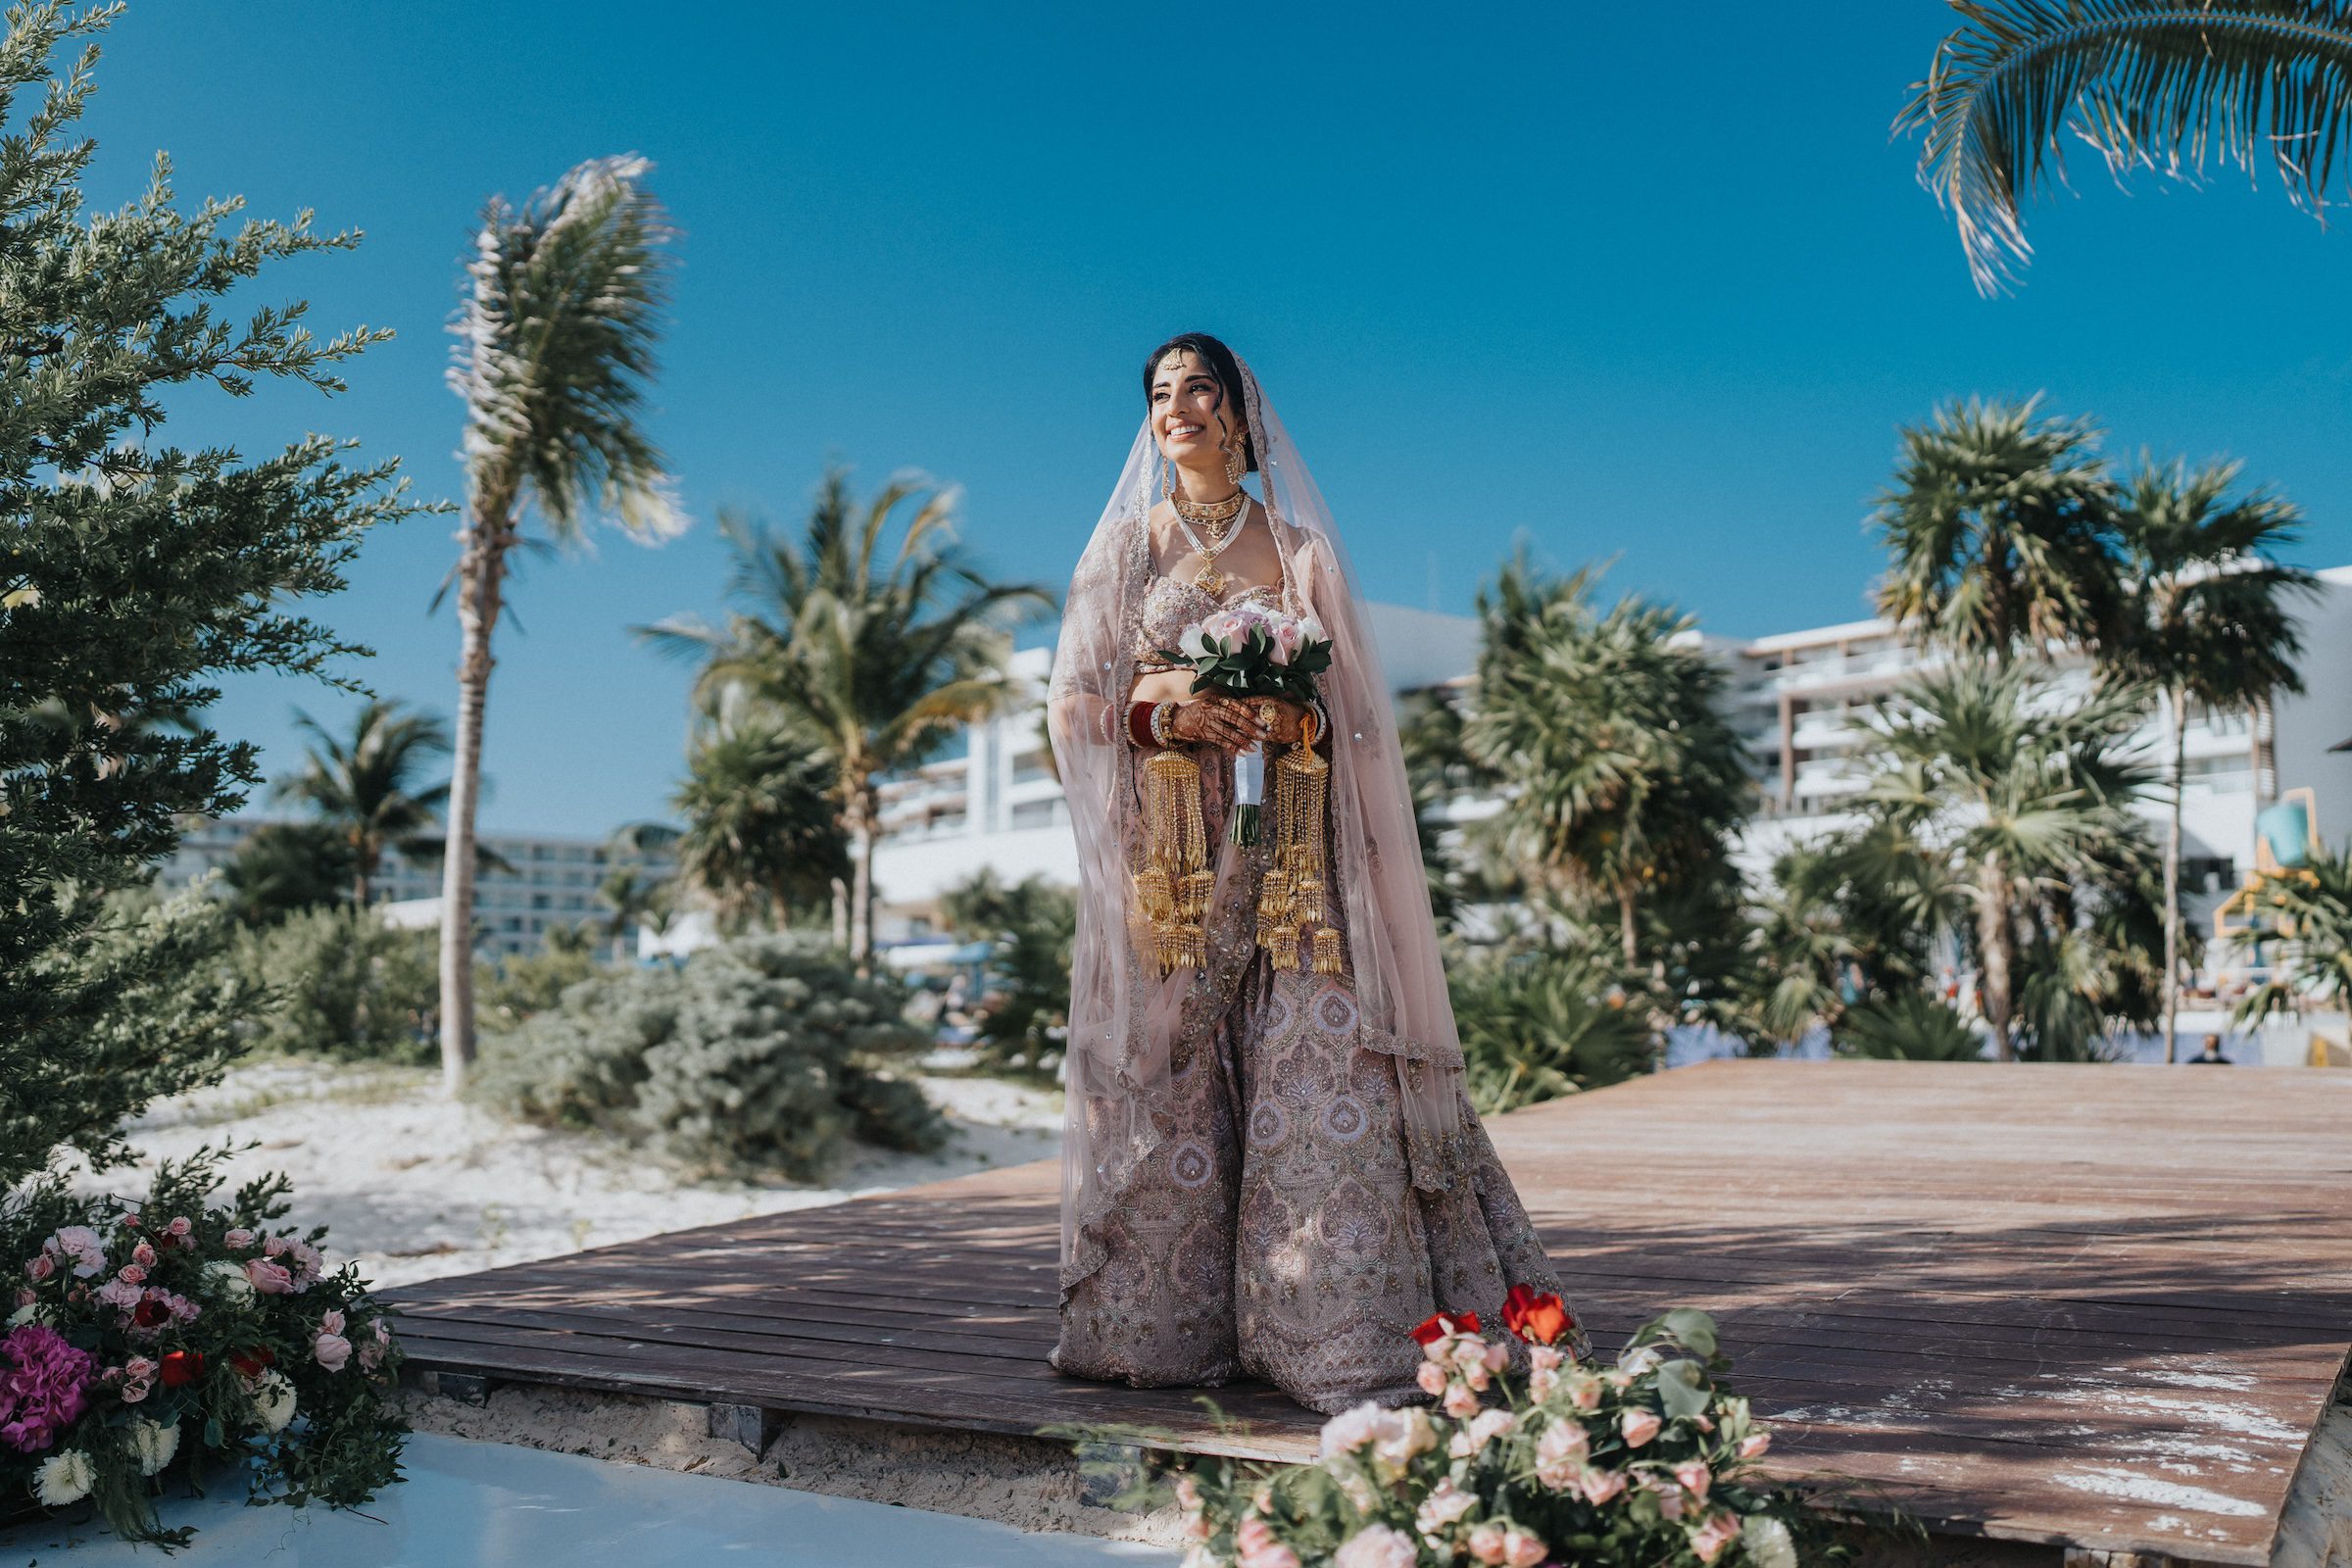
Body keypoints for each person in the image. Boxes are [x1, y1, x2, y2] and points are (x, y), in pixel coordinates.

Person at [1043, 333, 1588, 1415]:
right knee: (1177, 1077)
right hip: (1177, 861)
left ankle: (1334, 1335)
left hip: (1295, 848)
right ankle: (1170, 1329)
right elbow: (1071, 708)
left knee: (1322, 1069)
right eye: (1159, 392)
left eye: (1198, 387)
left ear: (1240, 413)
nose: (1177, 405)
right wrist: (1179, 713)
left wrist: (1294, 714)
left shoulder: (1298, 553)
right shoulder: (1125, 548)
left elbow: (1363, 725)